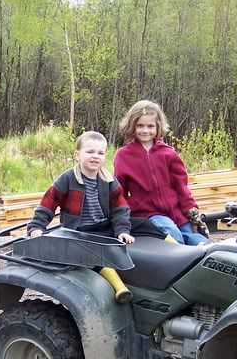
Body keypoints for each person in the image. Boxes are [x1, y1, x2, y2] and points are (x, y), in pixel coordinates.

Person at [27, 130, 164, 303]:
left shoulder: (109, 180)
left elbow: (120, 208)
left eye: (100, 153)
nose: (95, 157)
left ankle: (182, 250)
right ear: (77, 155)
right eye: (90, 152)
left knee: (144, 223)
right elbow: (48, 203)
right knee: (92, 252)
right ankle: (119, 288)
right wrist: (37, 227)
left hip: (104, 226)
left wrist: (122, 229)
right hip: (80, 231)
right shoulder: (67, 179)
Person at [113, 100, 209, 245]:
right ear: (132, 126)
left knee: (200, 241)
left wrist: (192, 212)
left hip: (176, 212)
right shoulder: (124, 156)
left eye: (150, 126)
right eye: (140, 125)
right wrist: (122, 220)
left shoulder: (168, 153)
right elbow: (120, 192)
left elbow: (181, 187)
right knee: (173, 236)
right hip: (148, 214)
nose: (145, 130)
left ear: (158, 127)